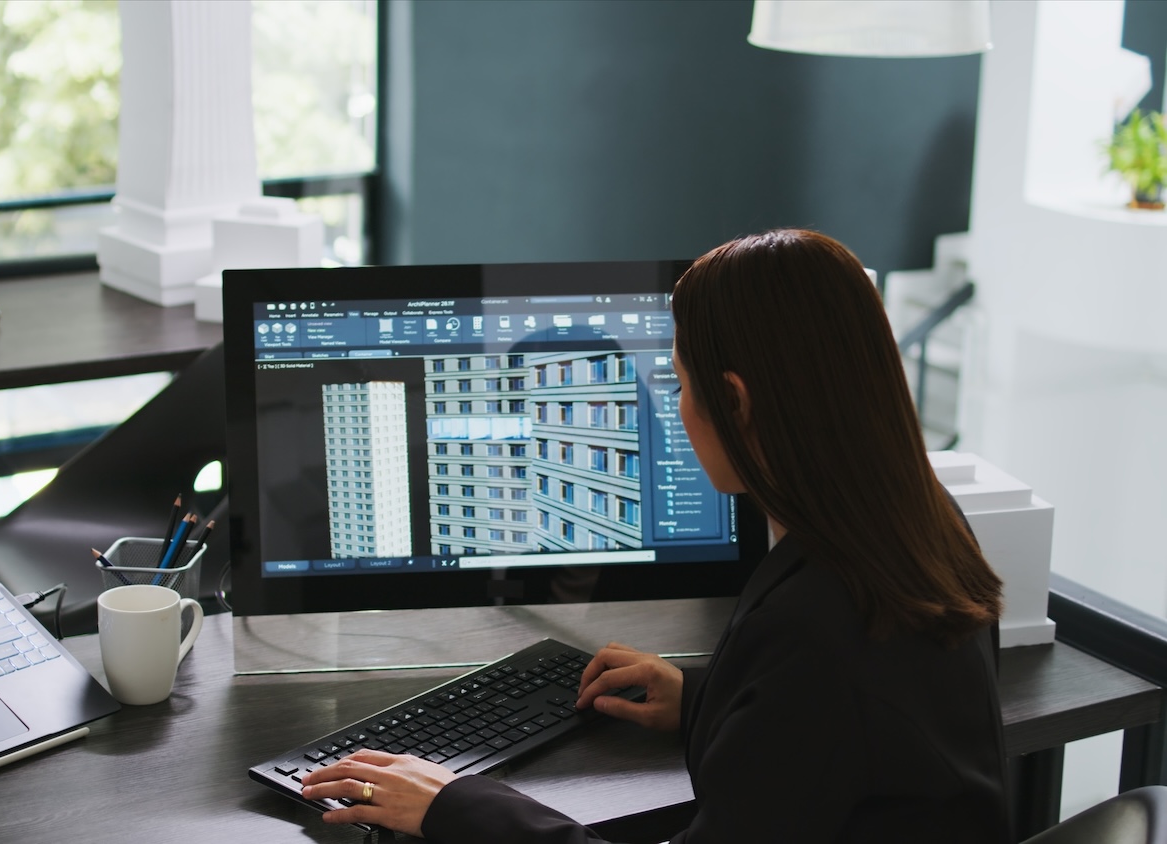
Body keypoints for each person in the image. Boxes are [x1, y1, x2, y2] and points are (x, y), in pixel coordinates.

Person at [301, 229, 1011, 843]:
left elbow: (823, 703)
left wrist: (456, 805)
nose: (675, 405)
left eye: (678, 381)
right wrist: (711, 700)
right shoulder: (923, 527)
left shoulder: (814, 634)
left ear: (734, 401)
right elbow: (840, 748)